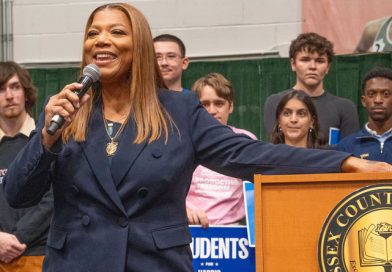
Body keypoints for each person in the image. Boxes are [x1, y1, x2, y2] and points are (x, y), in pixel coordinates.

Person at [3, 3, 391, 272]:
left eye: (116, 32)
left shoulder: (179, 110)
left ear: (138, 44)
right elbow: (19, 194)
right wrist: (46, 139)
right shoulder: (67, 111)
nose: (101, 40)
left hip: (154, 264)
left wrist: (341, 161)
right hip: (77, 264)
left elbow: (251, 155)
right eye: (93, 33)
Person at [0, 61, 53, 272]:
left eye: (15, 87)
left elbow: (54, 198)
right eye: (1, 89)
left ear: (26, 93)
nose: (9, 95)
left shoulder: (45, 139)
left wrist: (18, 238)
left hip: (39, 254)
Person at [186, 73, 257, 228]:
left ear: (230, 106)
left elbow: (255, 190)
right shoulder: (183, 140)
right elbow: (169, 188)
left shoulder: (244, 138)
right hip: (189, 226)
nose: (212, 111)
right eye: (205, 104)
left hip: (233, 230)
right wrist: (185, 210)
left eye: (219, 103)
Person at [264, 32, 359, 144]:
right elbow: (274, 148)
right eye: (305, 60)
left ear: (328, 67)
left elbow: (348, 153)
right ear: (293, 64)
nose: (312, 66)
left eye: (320, 61)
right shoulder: (275, 102)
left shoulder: (345, 108)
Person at [336, 67, 392, 163]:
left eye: (386, 94)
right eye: (371, 94)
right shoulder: (345, 147)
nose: (378, 100)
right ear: (363, 101)